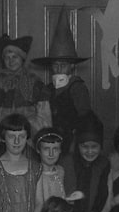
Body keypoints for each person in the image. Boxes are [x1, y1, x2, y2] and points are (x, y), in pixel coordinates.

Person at [31, 8, 90, 145]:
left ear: (72, 66)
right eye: (55, 65)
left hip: (71, 141)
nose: (58, 68)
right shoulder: (47, 89)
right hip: (50, 141)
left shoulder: (78, 88)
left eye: (63, 65)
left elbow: (84, 117)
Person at [59, 112, 109, 212]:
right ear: (77, 145)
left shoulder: (104, 164)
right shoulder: (66, 163)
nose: (89, 151)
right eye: (84, 146)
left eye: (94, 147)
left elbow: (103, 193)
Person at [0, 113, 44, 212]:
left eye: (21, 136)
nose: (17, 141)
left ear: (27, 138)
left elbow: (39, 203)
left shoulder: (36, 168)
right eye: (11, 136)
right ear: (3, 138)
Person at [0, 34, 49, 133]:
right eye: (7, 58)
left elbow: (44, 113)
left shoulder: (33, 80)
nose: (11, 61)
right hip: (4, 130)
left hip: (28, 131)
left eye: (14, 57)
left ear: (22, 59)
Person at [34, 128, 70, 202]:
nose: (51, 154)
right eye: (46, 149)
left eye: (55, 149)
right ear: (38, 150)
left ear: (60, 150)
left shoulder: (60, 170)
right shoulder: (34, 174)